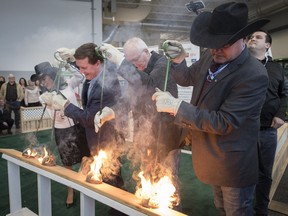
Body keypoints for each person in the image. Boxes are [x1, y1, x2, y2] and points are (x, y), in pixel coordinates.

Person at [151, 2, 270, 215]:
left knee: (237, 211)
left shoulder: (254, 74)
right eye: (212, 43)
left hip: (234, 164)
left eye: (223, 44)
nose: (216, 49)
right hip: (211, 157)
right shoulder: (211, 55)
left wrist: (177, 106)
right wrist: (179, 61)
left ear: (243, 40)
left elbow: (225, 122)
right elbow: (187, 78)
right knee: (221, 209)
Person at [98, 37, 183, 209]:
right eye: (130, 62)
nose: (134, 65)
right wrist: (111, 111)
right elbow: (129, 99)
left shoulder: (162, 63)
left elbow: (148, 83)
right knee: (148, 176)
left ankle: (171, 210)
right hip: (145, 135)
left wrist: (122, 62)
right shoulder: (138, 67)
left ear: (146, 52)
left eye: (135, 60)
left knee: (167, 181)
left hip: (166, 136)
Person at [51, 43, 125, 193]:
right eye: (79, 67)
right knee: (106, 177)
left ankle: (120, 211)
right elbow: (89, 56)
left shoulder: (106, 84)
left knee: (112, 178)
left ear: (98, 63)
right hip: (95, 137)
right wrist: (73, 57)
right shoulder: (96, 71)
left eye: (83, 68)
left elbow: (89, 119)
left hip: (107, 139)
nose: (81, 71)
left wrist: (65, 105)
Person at [35, 61, 90, 208]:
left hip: (78, 127)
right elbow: (50, 110)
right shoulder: (44, 96)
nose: (43, 82)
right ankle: (70, 191)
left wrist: (68, 64)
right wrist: (50, 102)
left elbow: (80, 76)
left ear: (53, 76)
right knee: (67, 163)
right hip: (61, 131)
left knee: (86, 157)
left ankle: (81, 182)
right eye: (41, 80)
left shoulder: (68, 85)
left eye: (45, 79)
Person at [247, 30, 287, 216]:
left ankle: (261, 211)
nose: (252, 39)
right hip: (242, 129)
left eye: (258, 37)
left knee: (264, 174)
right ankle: (242, 209)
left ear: (267, 45)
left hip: (267, 130)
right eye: (250, 37)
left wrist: (280, 114)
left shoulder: (276, 68)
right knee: (242, 172)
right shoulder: (240, 65)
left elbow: (284, 94)